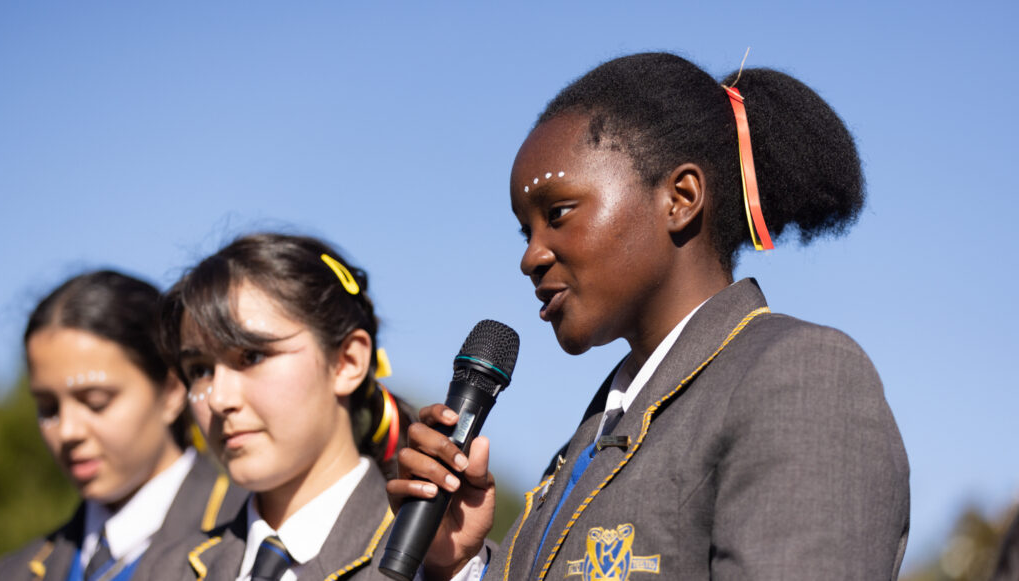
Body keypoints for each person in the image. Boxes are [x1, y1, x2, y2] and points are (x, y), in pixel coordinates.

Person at [388, 52, 910, 580]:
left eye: (558, 214)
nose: (531, 257)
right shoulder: (589, 442)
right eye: (527, 232)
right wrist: (460, 564)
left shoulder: (800, 378)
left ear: (680, 198)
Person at [151, 232, 413, 580]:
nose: (218, 399)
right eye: (199, 370)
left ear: (348, 362)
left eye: (252, 356)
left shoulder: (437, 564)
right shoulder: (168, 569)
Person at [0, 270, 247, 581]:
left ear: (171, 391)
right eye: (48, 409)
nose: (68, 431)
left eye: (96, 402)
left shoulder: (254, 540)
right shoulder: (15, 572)